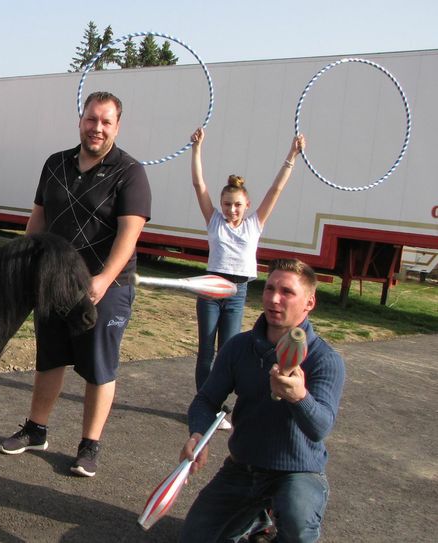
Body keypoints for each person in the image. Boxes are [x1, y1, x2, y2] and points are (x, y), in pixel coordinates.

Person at [0, 91, 152, 477]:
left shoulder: (130, 172)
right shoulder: (55, 164)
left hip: (107, 287)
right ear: (80, 120)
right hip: (55, 282)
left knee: (98, 368)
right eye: (91, 119)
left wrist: (103, 279)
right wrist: (24, 266)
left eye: (105, 121)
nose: (96, 128)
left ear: (117, 126)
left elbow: (128, 236)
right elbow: (38, 221)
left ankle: (89, 446)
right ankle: (35, 430)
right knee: (49, 358)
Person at [178, 258, 346, 543]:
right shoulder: (239, 347)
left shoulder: (325, 360)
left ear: (309, 303)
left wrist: (299, 397)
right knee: (194, 537)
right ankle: (258, 518)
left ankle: (270, 515)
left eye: (287, 292)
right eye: (269, 289)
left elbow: (320, 428)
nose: (274, 299)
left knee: (297, 527)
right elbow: (206, 400)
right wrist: (199, 433)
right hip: (243, 468)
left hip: (297, 472)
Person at [189, 128, 306, 404]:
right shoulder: (214, 220)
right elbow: (199, 185)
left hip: (236, 292)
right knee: (206, 350)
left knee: (228, 350)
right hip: (211, 288)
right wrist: (196, 148)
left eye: (238, 205)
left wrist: (292, 155)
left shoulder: (255, 223)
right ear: (220, 204)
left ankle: (219, 405)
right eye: (227, 204)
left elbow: (276, 189)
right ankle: (205, 404)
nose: (232, 210)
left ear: (247, 204)